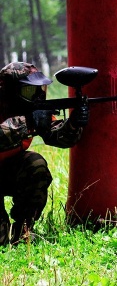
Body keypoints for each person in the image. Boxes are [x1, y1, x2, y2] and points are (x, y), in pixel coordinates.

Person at [0, 62, 89, 245]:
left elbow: (59, 136)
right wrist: (28, 122)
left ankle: (23, 228)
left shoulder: (31, 111)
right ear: (10, 91)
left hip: (6, 172)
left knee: (35, 164)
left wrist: (74, 123)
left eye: (40, 89)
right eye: (29, 91)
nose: (38, 96)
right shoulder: (23, 114)